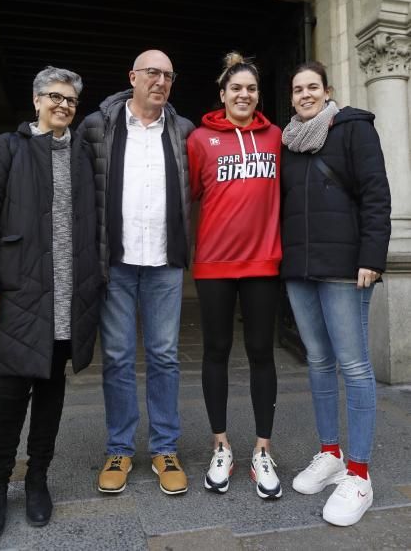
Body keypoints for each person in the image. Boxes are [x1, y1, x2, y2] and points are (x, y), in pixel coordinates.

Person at [0, 66, 100, 542]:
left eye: (71, 101)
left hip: (69, 296)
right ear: (38, 99)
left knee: (51, 392)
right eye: (56, 97)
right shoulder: (9, 148)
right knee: (10, 396)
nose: (64, 105)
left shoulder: (82, 154)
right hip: (21, 294)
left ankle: (38, 477)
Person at [78, 50, 194, 495]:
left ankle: (165, 448)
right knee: (119, 358)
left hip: (165, 262)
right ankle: (120, 448)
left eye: (167, 74)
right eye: (152, 73)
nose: (160, 81)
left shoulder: (182, 131)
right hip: (117, 262)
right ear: (133, 77)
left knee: (164, 356)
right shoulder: (97, 126)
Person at [281, 61, 391, 527]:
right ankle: (330, 453)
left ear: (327, 91)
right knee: (319, 362)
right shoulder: (287, 142)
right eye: (297, 89)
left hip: (347, 269)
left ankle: (360, 475)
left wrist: (373, 256)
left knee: (355, 366)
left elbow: (375, 194)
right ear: (291, 98)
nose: (305, 94)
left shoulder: (354, 130)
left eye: (313, 87)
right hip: (300, 270)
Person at [187, 52, 282, 498]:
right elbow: (189, 197)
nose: (244, 95)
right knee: (217, 351)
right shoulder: (200, 140)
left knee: (262, 353)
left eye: (251, 89)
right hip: (214, 265)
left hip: (263, 262)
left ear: (258, 95)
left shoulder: (276, 137)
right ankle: (221, 445)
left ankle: (262, 450)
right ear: (222, 94)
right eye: (236, 88)